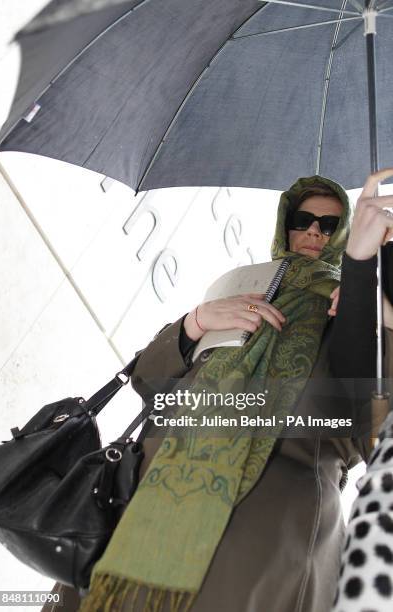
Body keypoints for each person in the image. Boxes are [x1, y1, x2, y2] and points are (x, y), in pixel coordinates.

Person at [43, 169, 393, 612]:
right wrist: (196, 323)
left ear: (344, 232)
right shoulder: (245, 284)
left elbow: (371, 429)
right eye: (303, 220)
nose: (313, 233)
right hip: (147, 497)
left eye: (328, 225)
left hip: (269, 535)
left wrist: (364, 293)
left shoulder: (361, 298)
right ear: (285, 224)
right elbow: (151, 383)